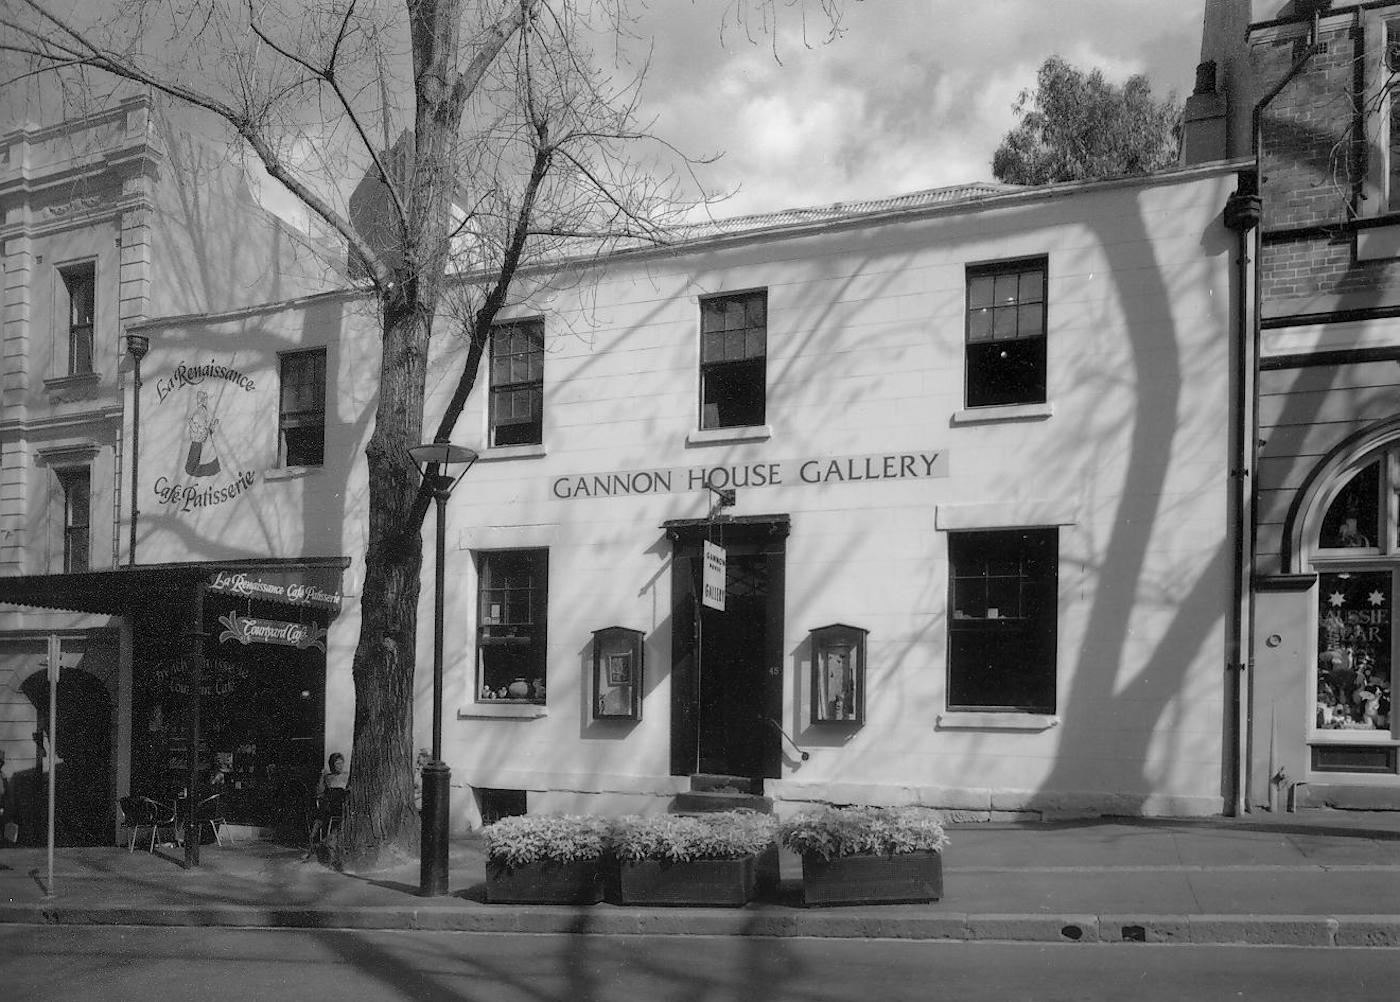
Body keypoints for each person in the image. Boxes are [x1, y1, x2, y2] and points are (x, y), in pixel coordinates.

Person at [308, 752, 348, 851]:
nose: (340, 766)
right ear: (332, 765)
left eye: (341, 763)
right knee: (327, 800)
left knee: (335, 794)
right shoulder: (328, 777)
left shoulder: (346, 776)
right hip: (330, 806)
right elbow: (319, 792)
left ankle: (316, 835)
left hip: (343, 805)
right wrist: (322, 777)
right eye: (337, 764)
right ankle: (315, 839)